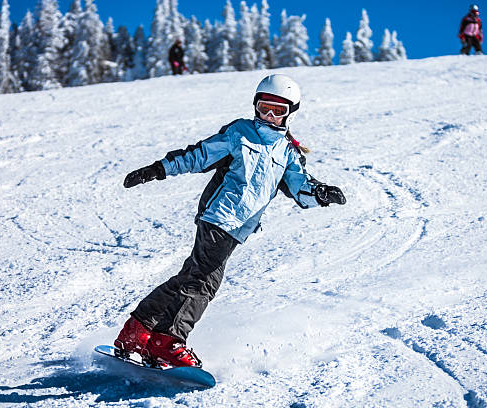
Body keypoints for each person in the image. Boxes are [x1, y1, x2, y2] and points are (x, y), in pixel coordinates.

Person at [114, 74, 346, 368]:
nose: (270, 116)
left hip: (238, 228)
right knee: (203, 282)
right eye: (264, 108)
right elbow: (198, 155)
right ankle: (168, 340)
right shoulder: (240, 133)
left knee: (190, 277)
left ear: (291, 113)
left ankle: (137, 331)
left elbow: (300, 187)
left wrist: (321, 193)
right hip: (218, 217)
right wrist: (158, 169)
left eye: (278, 111)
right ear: (255, 107)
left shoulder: (288, 152)